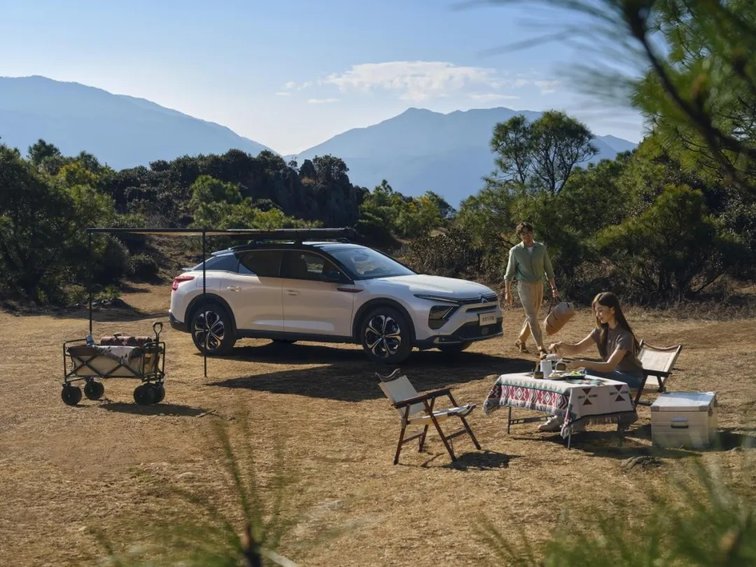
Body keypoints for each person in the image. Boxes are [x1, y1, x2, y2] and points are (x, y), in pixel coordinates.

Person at [538, 291, 644, 432]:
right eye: (596, 311)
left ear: (613, 310)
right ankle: (567, 417)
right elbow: (577, 348)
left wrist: (582, 362)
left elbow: (609, 366)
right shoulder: (600, 331)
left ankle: (570, 419)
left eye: (601, 310)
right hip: (614, 375)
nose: (598, 314)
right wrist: (561, 345)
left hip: (632, 379)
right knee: (580, 376)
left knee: (586, 372)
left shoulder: (625, 336)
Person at [503, 222, 558, 355]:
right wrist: (507, 292)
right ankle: (540, 347)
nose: (526, 236)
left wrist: (553, 287)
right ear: (519, 236)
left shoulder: (541, 248)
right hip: (524, 286)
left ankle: (521, 340)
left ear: (532, 233)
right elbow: (509, 273)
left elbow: (548, 269)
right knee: (532, 316)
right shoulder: (515, 251)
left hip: (539, 285)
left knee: (532, 316)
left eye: (528, 233)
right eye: (523, 234)